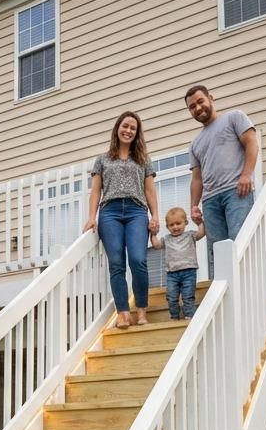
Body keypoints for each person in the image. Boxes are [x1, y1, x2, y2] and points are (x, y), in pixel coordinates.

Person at [82, 110, 160, 328]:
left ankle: (141, 311)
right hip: (110, 212)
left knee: (138, 260)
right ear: (117, 128)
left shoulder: (143, 160)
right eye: (125, 126)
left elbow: (150, 192)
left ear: (137, 133)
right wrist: (92, 217)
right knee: (116, 263)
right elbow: (96, 191)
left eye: (133, 128)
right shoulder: (102, 160)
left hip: (136, 211)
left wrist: (154, 216)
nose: (128, 130)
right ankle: (123, 313)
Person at [184, 85, 258, 275]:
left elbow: (251, 142)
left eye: (201, 102)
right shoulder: (195, 143)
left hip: (236, 192)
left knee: (239, 243)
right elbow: (197, 178)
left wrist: (246, 174)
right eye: (192, 107)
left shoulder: (234, 117)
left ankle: (244, 292)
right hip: (210, 202)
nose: (198, 108)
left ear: (211, 98)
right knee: (216, 253)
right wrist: (194, 205)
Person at [151, 207, 206, 320]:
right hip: (172, 274)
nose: (175, 227)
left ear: (185, 223)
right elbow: (156, 245)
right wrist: (153, 234)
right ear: (167, 227)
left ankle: (189, 316)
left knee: (188, 296)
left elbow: (201, 233)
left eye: (178, 223)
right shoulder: (166, 239)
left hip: (189, 271)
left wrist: (200, 223)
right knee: (171, 297)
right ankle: (174, 316)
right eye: (171, 225)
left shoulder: (190, 235)